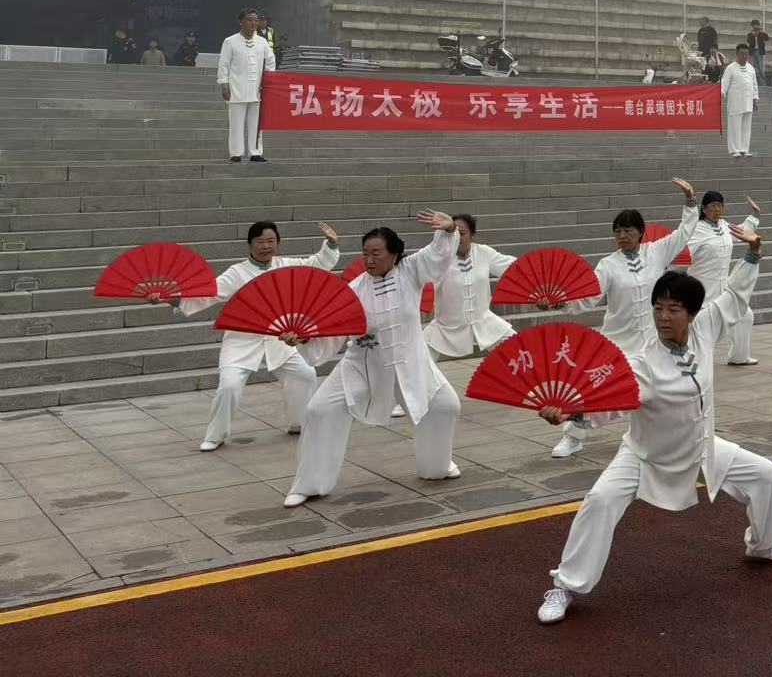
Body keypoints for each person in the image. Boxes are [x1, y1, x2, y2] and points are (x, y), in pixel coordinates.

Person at [536, 228, 772, 625]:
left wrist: (754, 254)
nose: (662, 316)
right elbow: (615, 404)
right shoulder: (643, 362)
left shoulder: (706, 327)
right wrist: (573, 414)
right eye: (658, 307)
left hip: (701, 447)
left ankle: (762, 545)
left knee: (766, 474)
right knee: (600, 502)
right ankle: (566, 586)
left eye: (673, 309)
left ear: (691, 313)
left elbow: (734, 297)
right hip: (645, 455)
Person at [284, 213, 463, 507]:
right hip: (363, 364)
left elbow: (437, 256)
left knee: (445, 406)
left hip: (410, 361)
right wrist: (304, 338)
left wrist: (448, 231)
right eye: (365, 253)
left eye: (376, 253)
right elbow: (333, 327)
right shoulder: (354, 289)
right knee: (319, 410)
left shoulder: (411, 270)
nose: (369, 259)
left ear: (395, 254)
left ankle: (437, 466)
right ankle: (309, 484)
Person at [554, 181, 698, 459]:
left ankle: (657, 437)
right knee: (595, 389)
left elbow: (684, 233)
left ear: (641, 232)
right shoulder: (608, 265)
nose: (622, 235)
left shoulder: (656, 251)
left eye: (628, 230)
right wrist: (563, 302)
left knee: (658, 390)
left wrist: (690, 201)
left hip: (654, 341)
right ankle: (573, 436)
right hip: (618, 340)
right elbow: (589, 296)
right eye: (617, 231)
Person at [175, 219, 340, 451]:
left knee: (305, 374)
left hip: (278, 338)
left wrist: (330, 245)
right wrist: (176, 299)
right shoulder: (238, 272)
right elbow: (211, 291)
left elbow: (316, 264)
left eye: (271, 241)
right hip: (242, 339)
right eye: (260, 242)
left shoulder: (286, 265)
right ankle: (216, 435)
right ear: (250, 244)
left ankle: (299, 423)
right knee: (230, 386)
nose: (266, 246)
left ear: (278, 243)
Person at [681, 183, 763, 365]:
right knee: (702, 326)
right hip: (701, 288)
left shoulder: (724, 225)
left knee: (745, 315)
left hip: (723, 285)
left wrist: (754, 216)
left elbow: (741, 231)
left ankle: (739, 356)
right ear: (704, 209)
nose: (717, 209)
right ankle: (693, 359)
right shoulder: (696, 229)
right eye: (713, 206)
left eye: (720, 205)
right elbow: (683, 252)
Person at [422, 213, 519, 360]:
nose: (457, 238)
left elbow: (515, 267)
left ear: (471, 235)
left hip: (484, 321)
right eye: (452, 233)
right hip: (445, 327)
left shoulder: (483, 252)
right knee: (419, 362)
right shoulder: (439, 257)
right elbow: (430, 253)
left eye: (462, 233)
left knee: (520, 350)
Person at [217, 8, 275, 163]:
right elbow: (224, 64)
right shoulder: (230, 41)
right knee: (236, 123)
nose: (254, 23)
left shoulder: (262, 42)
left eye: (256, 20)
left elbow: (270, 62)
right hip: (236, 89)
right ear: (241, 21)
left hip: (257, 90)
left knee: (256, 124)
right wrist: (224, 85)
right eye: (250, 20)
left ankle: (255, 152)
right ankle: (236, 153)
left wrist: (268, 82)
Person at [721, 43, 761, 158]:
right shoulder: (730, 68)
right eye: (742, 53)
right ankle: (735, 150)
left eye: (747, 53)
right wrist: (722, 93)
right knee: (734, 127)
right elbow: (724, 85)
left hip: (748, 103)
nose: (745, 55)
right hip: (735, 103)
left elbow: (754, 86)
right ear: (737, 54)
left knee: (746, 128)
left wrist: (754, 101)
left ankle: (744, 149)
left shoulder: (751, 68)